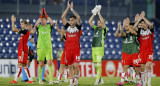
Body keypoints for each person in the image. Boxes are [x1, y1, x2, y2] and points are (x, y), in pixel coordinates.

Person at [60, 1, 82, 86]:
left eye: (72, 20)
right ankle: (71, 82)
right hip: (68, 50)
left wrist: (72, 9)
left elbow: (79, 17)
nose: (70, 21)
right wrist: (67, 8)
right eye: (69, 20)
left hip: (76, 50)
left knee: (75, 66)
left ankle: (76, 78)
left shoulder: (78, 27)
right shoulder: (67, 27)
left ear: (75, 21)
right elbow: (63, 16)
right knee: (69, 66)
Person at [115, 18, 142, 86]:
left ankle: (139, 82)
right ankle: (121, 82)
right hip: (127, 54)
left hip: (134, 53)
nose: (126, 27)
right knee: (125, 68)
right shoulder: (124, 34)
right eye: (126, 26)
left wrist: (128, 24)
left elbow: (133, 32)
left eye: (127, 26)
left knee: (136, 69)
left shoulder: (133, 33)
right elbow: (118, 34)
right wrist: (122, 26)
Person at [9, 15, 34, 84]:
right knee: (24, 65)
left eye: (22, 24)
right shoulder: (24, 31)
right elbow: (13, 29)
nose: (21, 25)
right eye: (20, 24)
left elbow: (14, 29)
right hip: (22, 49)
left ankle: (15, 80)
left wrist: (12, 22)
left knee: (20, 64)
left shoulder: (25, 30)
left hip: (23, 49)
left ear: (26, 25)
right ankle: (30, 79)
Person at [134, 11, 154, 86]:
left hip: (149, 51)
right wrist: (138, 20)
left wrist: (143, 17)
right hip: (141, 52)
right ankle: (143, 82)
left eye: (142, 23)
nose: (141, 25)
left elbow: (151, 25)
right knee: (142, 69)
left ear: (145, 23)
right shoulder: (139, 32)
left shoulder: (150, 30)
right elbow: (133, 28)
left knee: (148, 66)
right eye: (140, 24)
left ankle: (149, 83)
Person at [88, 6, 107, 85]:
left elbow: (103, 23)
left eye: (99, 22)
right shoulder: (95, 28)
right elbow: (89, 21)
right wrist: (94, 14)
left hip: (100, 49)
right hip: (94, 48)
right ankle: (100, 78)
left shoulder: (104, 29)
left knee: (99, 65)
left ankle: (97, 80)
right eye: (98, 22)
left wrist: (99, 13)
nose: (98, 23)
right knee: (96, 66)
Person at [35, 8, 54, 84]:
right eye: (42, 20)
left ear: (46, 20)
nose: (42, 21)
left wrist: (46, 15)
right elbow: (35, 25)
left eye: (44, 19)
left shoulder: (49, 27)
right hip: (40, 48)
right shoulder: (39, 27)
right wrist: (40, 17)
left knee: (49, 63)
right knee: (41, 64)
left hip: (48, 48)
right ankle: (40, 80)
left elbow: (52, 23)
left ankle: (51, 80)